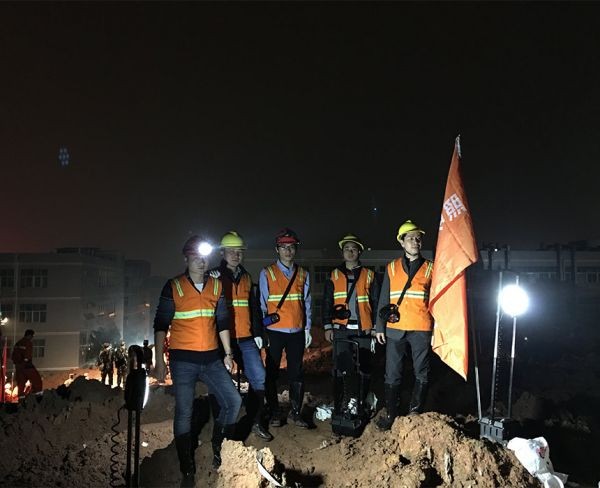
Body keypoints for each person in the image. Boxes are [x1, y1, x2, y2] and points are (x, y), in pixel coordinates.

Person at [153, 235, 242, 484]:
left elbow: (223, 321)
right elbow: (160, 324)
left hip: (212, 359)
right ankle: (187, 469)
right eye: (195, 257)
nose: (201, 262)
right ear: (186, 259)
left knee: (233, 401)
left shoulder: (216, 286)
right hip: (183, 361)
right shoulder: (174, 286)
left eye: (204, 257)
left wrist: (228, 354)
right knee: (185, 411)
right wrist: (159, 361)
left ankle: (219, 447)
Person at [212, 231, 273, 441]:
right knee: (220, 384)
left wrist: (258, 333)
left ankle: (255, 421)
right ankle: (221, 430)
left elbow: (254, 308)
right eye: (231, 251)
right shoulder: (213, 277)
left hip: (246, 338)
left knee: (259, 377)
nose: (235, 255)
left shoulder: (246, 277)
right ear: (222, 253)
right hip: (223, 340)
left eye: (239, 251)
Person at [375, 220, 435, 431]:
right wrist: (379, 327)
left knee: (422, 372)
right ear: (402, 242)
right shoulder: (391, 267)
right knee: (392, 372)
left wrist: (437, 329)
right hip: (396, 328)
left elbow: (437, 301)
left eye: (418, 238)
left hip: (421, 327)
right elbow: (384, 299)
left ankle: (415, 413)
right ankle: (391, 415)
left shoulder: (431, 268)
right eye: (410, 238)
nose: (415, 241)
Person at [322, 234, 380, 421]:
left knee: (365, 367)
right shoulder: (333, 275)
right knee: (341, 367)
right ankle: (342, 403)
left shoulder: (370, 275)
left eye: (353, 248)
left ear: (359, 252)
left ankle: (361, 403)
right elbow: (327, 301)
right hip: (341, 329)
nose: (350, 252)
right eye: (346, 248)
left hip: (364, 329)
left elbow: (376, 302)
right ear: (342, 252)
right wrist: (327, 326)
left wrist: (376, 327)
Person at [259, 228, 312, 429]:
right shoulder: (267, 273)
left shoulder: (303, 274)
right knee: (272, 372)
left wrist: (307, 328)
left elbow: (307, 303)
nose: (288, 251)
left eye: (291, 247)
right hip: (274, 332)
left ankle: (295, 413)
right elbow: (262, 305)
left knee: (296, 373)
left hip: (296, 332)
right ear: (277, 249)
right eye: (284, 247)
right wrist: (262, 331)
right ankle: (274, 412)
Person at [11, 329, 43, 397]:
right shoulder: (28, 342)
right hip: (26, 365)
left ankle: (21, 397)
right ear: (29, 335)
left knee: (21, 382)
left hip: (18, 366)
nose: (32, 338)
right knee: (36, 379)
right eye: (32, 336)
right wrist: (26, 362)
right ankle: (38, 395)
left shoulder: (18, 343)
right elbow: (28, 355)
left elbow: (14, 355)